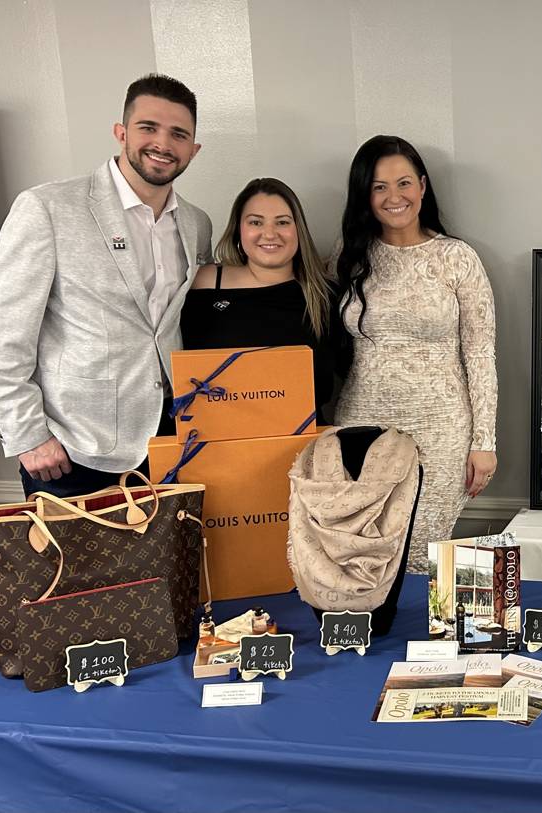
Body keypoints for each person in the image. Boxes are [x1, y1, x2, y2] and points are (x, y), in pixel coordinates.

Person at [0, 74, 211, 498]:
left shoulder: (197, 223)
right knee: (69, 547)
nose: (162, 143)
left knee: (170, 546)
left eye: (178, 134)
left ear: (193, 149)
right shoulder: (47, 208)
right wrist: (27, 435)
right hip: (71, 448)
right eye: (148, 127)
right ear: (121, 132)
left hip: (169, 439)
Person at [334, 135, 497, 573]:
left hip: (442, 431)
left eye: (403, 183)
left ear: (422, 186)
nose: (394, 197)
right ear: (365, 195)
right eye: (379, 187)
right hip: (361, 425)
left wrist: (484, 443)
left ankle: (422, 624)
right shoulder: (350, 258)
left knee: (421, 552)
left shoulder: (457, 258)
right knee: (363, 551)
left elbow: (481, 353)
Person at [181, 177, 336, 421]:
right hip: (214, 439)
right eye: (256, 222)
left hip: (305, 440)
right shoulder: (203, 282)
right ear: (238, 229)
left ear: (299, 230)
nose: (270, 233)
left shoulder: (324, 295)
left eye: (282, 222)